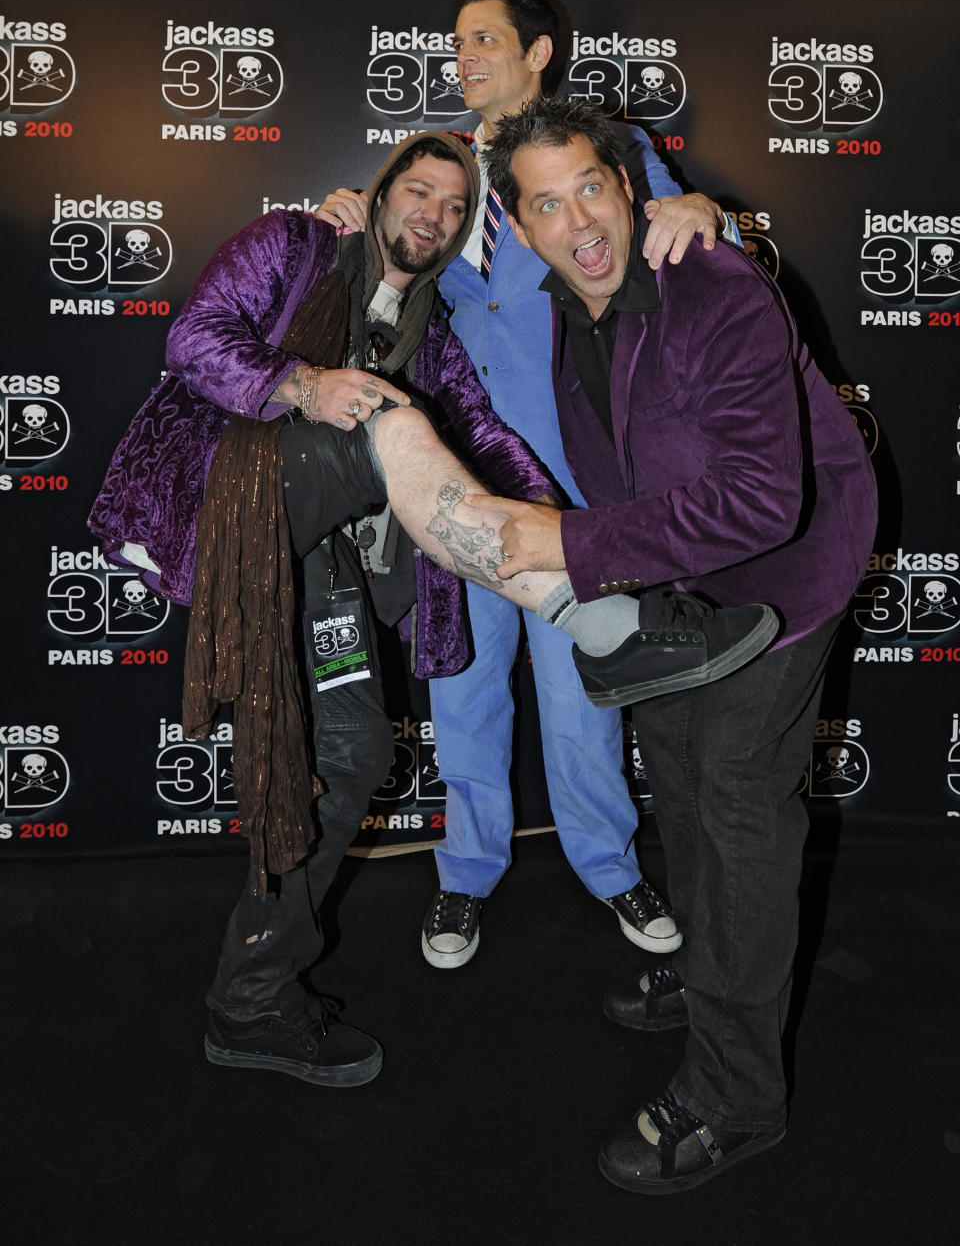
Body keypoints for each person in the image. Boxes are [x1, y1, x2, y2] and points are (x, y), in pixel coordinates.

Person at [88, 130, 771, 1092]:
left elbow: (489, 447)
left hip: (311, 552)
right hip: (220, 492)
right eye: (418, 192)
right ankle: (608, 633)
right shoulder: (291, 243)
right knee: (392, 421)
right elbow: (192, 340)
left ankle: (251, 997)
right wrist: (305, 384)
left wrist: (583, 544)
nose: (435, 217)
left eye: (454, 208)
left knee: (355, 754)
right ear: (376, 195)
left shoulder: (431, 334)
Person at [477, 94, 877, 1192]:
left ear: (629, 183)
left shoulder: (713, 283)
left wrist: (576, 543)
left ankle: (737, 1094)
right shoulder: (567, 296)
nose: (579, 223)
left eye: (592, 189)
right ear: (518, 227)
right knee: (685, 792)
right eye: (547, 205)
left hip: (781, 584)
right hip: (669, 589)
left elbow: (763, 499)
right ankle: (712, 973)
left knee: (737, 816)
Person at [319, 0, 745, 973]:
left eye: (482, 39)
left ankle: (608, 864)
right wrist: (346, 213)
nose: (461, 57)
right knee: (464, 688)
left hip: (579, 485)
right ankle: (465, 873)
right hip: (459, 489)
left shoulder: (598, 150)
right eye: (454, 40)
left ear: (539, 52)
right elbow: (380, 270)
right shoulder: (443, 177)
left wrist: (696, 207)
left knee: (582, 690)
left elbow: (669, 220)